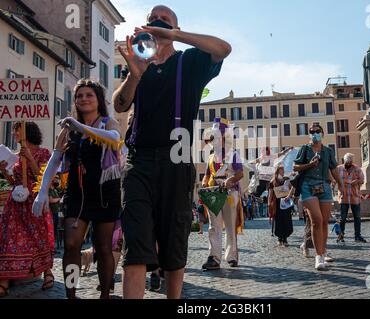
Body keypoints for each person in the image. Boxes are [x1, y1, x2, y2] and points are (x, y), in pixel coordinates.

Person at [113, 5, 231, 299]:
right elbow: (119, 104)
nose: (157, 20)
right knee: (136, 243)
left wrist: (172, 34)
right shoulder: (139, 64)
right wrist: (135, 75)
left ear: (174, 29)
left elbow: (223, 48)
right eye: (153, 18)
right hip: (138, 161)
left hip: (176, 161)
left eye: (165, 19)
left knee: (174, 241)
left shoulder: (189, 61)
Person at [33, 79, 123, 299]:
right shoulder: (67, 129)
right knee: (72, 244)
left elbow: (114, 139)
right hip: (77, 193)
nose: (83, 99)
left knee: (103, 248)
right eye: (79, 96)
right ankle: (71, 294)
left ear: (98, 99)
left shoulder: (107, 122)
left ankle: (104, 294)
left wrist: (80, 127)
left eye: (88, 95)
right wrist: (42, 191)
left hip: (105, 193)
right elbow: (55, 160)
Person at [0, 122, 54, 297]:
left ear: (27, 133)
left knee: (39, 236)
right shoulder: (16, 157)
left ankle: (47, 272)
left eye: (17, 132)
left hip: (35, 200)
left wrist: (30, 158)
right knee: (9, 238)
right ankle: (4, 280)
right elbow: (13, 182)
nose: (15, 135)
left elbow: (43, 178)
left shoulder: (44, 153)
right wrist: (4, 172)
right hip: (15, 204)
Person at [293, 124, 343, 271]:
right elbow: (295, 167)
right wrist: (309, 165)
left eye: (317, 132)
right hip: (307, 186)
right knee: (317, 220)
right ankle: (318, 256)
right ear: (309, 135)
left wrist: (340, 185)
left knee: (324, 222)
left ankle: (323, 250)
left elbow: (333, 169)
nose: (314, 134)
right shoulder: (305, 149)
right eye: (312, 132)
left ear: (322, 133)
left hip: (325, 186)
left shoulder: (328, 151)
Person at [201, 118, 244, 271]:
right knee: (214, 226)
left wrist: (231, 179)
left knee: (230, 226)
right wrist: (204, 183)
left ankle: (231, 255)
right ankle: (214, 257)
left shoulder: (233, 155)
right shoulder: (211, 157)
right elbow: (207, 175)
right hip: (214, 194)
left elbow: (240, 173)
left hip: (230, 193)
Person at [334, 153, 366, 243]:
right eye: (347, 162)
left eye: (350, 162)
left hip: (354, 196)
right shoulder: (339, 168)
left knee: (357, 217)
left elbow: (362, 179)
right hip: (343, 196)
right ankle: (341, 236)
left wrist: (357, 181)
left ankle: (357, 236)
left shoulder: (357, 169)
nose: (349, 164)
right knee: (342, 218)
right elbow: (334, 179)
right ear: (344, 161)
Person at [268, 166, 294, 247]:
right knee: (279, 221)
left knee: (287, 220)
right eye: (281, 170)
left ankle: (285, 238)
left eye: (283, 170)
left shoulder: (286, 180)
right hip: (277, 204)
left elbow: (291, 189)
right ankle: (279, 238)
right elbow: (270, 193)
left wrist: (290, 195)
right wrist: (269, 203)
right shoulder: (273, 181)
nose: (282, 171)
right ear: (277, 171)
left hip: (286, 203)